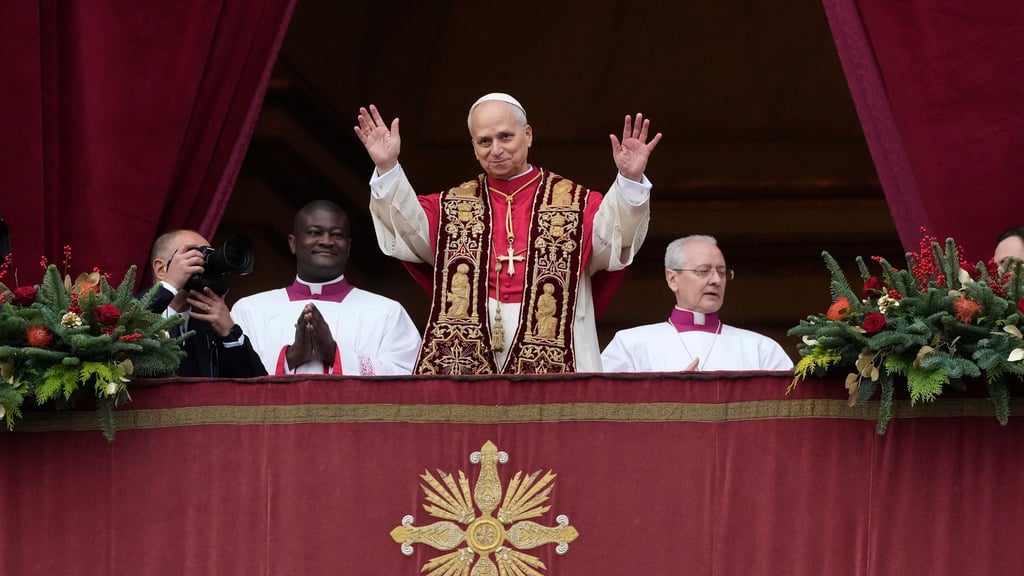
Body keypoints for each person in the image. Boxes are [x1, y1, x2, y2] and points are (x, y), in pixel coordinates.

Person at [355, 93, 661, 374]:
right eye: (484, 141)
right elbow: (409, 230)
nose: (496, 150)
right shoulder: (451, 206)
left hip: (557, 337)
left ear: (527, 135)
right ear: (474, 147)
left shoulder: (576, 203)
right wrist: (388, 167)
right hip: (472, 339)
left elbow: (613, 238)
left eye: (505, 137)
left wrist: (630, 179)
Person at [231, 200, 420, 375]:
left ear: (348, 247)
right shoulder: (250, 310)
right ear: (293, 243)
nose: (327, 241)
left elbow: (409, 379)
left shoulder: (387, 312)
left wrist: (335, 354)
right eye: (314, 232)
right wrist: (291, 356)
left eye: (337, 235)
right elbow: (231, 375)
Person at [601, 235, 793, 372]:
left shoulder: (762, 349)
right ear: (672, 279)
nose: (716, 280)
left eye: (722, 271)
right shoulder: (629, 345)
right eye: (703, 271)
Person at [148, 229, 267, 378]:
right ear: (161, 269)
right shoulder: (125, 311)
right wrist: (169, 286)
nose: (203, 265)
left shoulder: (209, 331)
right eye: (193, 256)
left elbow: (257, 388)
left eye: (207, 256)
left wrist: (230, 334)